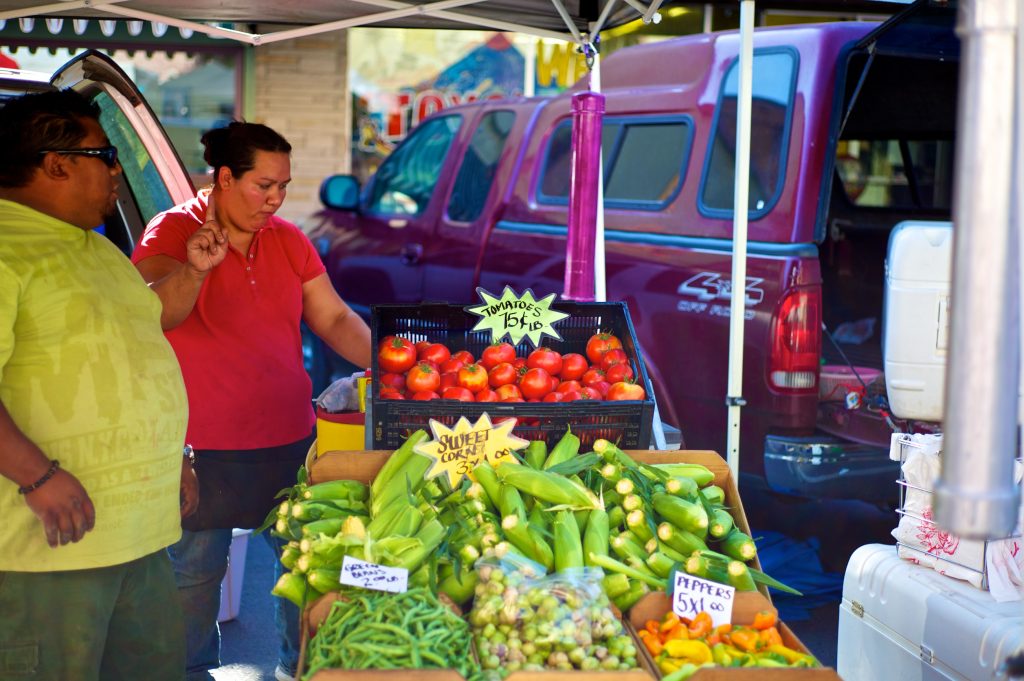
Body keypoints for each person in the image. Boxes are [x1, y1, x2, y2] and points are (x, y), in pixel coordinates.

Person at [131, 121, 372, 681]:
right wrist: (195, 268)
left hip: (288, 439)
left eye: (283, 186)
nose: (275, 199)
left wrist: (389, 369)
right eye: (263, 185)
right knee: (193, 578)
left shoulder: (289, 240)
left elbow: (333, 316)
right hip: (199, 447)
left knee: (303, 570)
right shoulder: (171, 231)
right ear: (224, 177)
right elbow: (154, 314)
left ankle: (296, 670)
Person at [0, 89, 197, 680]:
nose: (117, 171)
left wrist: (175, 457)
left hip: (138, 538)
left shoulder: (98, 248)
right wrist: (37, 475)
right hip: (48, 551)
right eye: (105, 154)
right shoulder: (6, 250)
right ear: (56, 163)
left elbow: (144, 337)